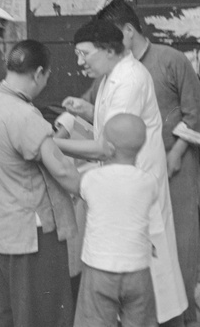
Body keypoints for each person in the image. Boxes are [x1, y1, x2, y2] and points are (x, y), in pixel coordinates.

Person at [67, 0, 200, 325]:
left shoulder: (167, 60)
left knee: (178, 246)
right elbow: (106, 117)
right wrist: (82, 109)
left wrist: (175, 154)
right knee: (143, 250)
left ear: (127, 32)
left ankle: (183, 318)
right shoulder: (111, 71)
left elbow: (197, 113)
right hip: (133, 169)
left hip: (175, 161)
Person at [0, 39, 80, 327]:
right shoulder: (24, 114)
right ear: (38, 73)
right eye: (46, 77)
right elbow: (60, 169)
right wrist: (91, 189)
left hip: (1, 230)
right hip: (32, 235)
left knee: (8, 314)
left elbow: (29, 150)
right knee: (44, 315)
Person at [75, 113, 157, 327]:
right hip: (138, 269)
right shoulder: (148, 182)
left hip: (99, 269)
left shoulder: (92, 179)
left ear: (109, 149)